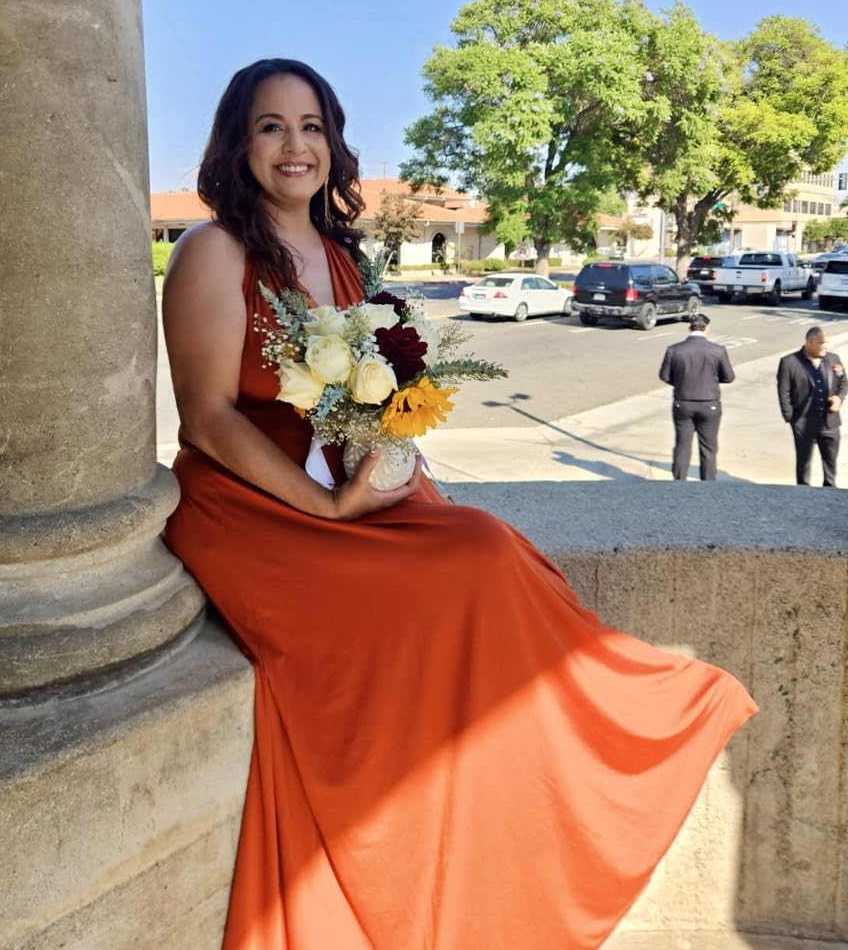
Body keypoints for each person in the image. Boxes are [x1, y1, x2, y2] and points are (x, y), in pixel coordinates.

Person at [162, 58, 757, 950]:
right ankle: (402, 845)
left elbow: (374, 400)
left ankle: (577, 759)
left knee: (488, 545)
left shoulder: (340, 257)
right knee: (459, 571)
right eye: (271, 127)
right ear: (237, 144)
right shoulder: (213, 251)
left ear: (333, 142)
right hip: (250, 505)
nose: (295, 146)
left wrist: (384, 462)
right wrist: (326, 510)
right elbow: (207, 420)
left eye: (312, 126)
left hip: (340, 485)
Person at [658, 313, 735, 481]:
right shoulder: (718, 350)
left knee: (682, 445)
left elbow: (664, 375)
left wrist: (680, 383)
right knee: (708, 447)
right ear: (707, 328)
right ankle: (707, 483)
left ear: (689, 328)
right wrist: (712, 381)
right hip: (709, 403)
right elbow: (729, 377)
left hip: (683, 402)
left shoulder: (674, 349)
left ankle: (679, 481)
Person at [776, 326, 848, 486]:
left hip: (829, 422)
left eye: (827, 343)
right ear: (810, 342)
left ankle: (830, 490)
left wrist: (838, 398)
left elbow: (843, 382)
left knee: (830, 463)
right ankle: (803, 492)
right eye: (822, 343)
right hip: (803, 423)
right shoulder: (789, 362)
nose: (826, 347)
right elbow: (783, 392)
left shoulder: (833, 359)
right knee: (804, 463)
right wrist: (791, 418)